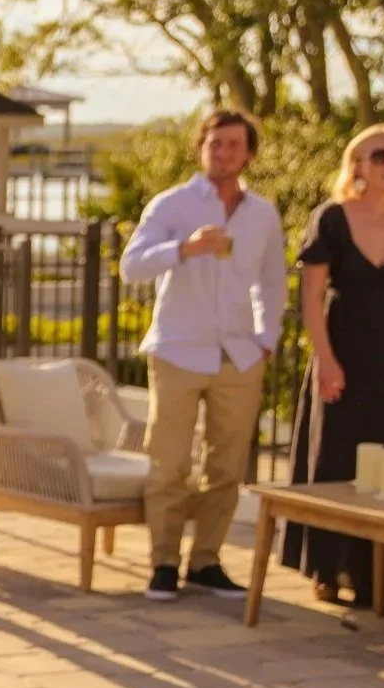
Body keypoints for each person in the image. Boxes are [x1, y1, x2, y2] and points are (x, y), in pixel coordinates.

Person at [120, 110, 287, 603]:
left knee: (228, 465)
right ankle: (164, 563)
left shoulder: (262, 214)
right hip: (177, 348)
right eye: (216, 144)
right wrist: (182, 249)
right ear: (202, 148)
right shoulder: (173, 204)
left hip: (239, 354)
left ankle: (207, 561)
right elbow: (132, 266)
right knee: (168, 462)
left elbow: (272, 281)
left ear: (249, 154)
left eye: (234, 145)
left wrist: (266, 340)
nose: (224, 153)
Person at [283, 124, 384, 607]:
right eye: (380, 155)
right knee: (334, 458)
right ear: (357, 166)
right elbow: (311, 295)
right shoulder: (330, 219)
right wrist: (326, 360)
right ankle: (327, 569)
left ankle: (378, 573)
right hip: (342, 350)